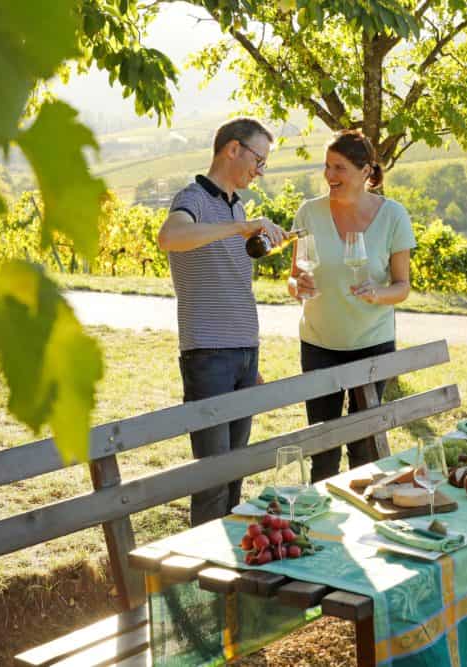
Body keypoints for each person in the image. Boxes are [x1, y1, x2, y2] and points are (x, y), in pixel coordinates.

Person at [157, 117, 287, 526]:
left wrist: (249, 360)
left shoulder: (238, 206)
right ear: (233, 149)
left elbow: (232, 286)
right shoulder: (192, 198)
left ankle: (233, 574)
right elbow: (170, 237)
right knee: (212, 480)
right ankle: (205, 579)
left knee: (234, 476)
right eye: (258, 159)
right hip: (208, 355)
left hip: (242, 355)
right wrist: (239, 227)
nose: (259, 170)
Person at [287, 130, 416, 482]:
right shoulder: (309, 213)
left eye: (339, 167)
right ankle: (321, 526)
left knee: (365, 448)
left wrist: (378, 293)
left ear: (365, 171)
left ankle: (364, 524)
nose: (330, 175)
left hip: (372, 346)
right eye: (327, 166)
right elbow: (293, 278)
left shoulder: (393, 216)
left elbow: (402, 287)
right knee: (322, 448)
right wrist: (298, 286)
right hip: (319, 345)